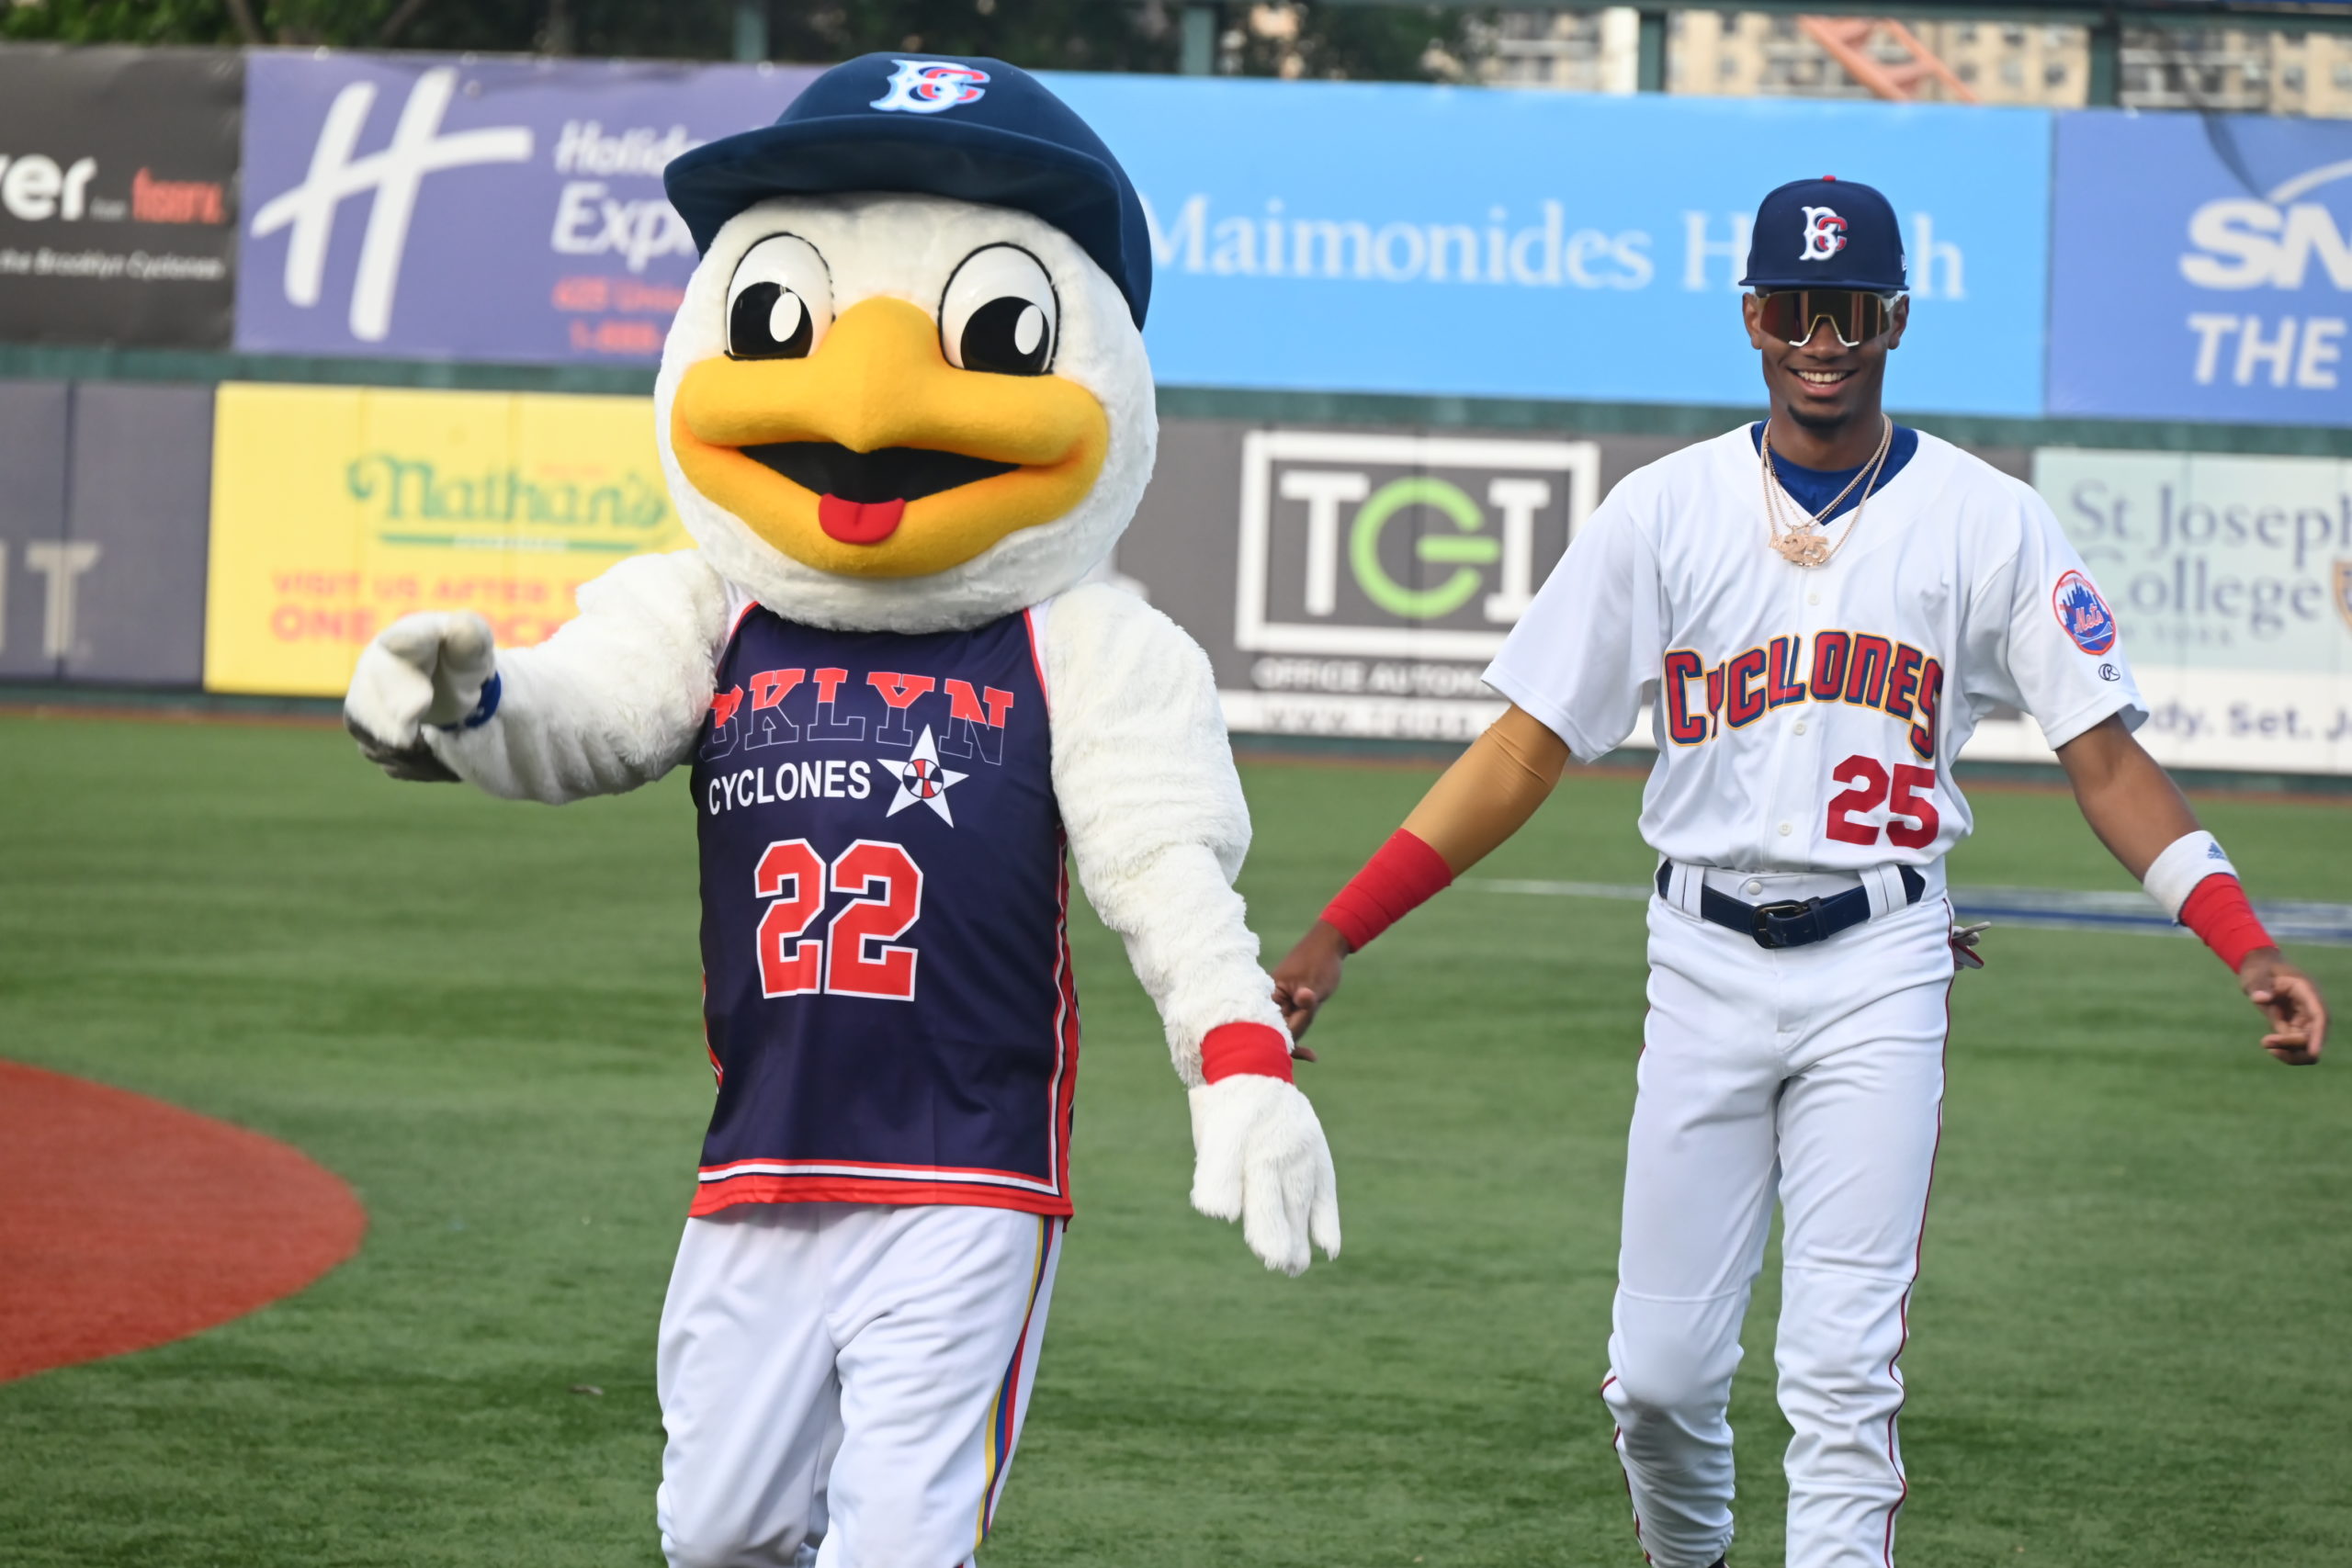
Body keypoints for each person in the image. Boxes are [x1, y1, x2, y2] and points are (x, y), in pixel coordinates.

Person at [1269, 176, 2328, 1568]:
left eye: (1848, 310)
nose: (1819, 339)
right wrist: (1343, 930)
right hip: (1699, 959)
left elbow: (2107, 763)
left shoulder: (1985, 519)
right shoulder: (1662, 512)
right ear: (1751, 321)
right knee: (1656, 1381)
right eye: (1790, 309)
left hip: (1881, 961)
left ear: (1893, 320)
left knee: (1839, 1380)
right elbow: (1524, 753)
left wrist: (2241, 940)